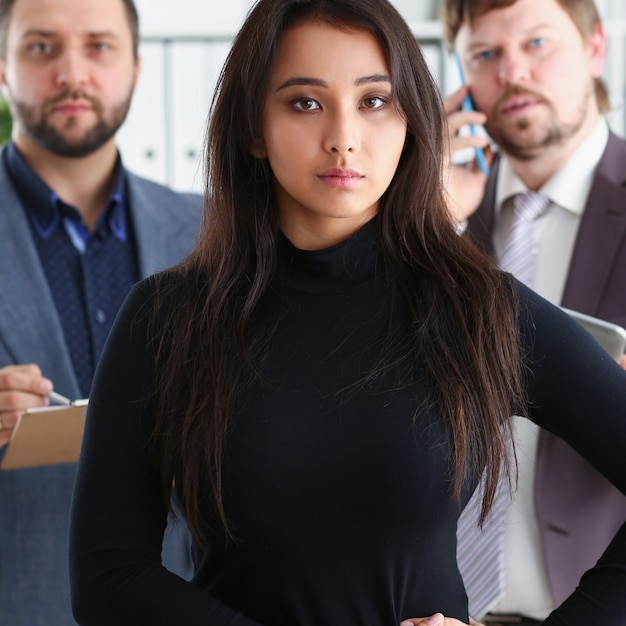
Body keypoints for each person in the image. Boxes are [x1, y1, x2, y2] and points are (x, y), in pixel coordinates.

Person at [68, 0, 626, 624]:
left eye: (374, 101)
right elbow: (108, 577)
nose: (343, 137)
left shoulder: (479, 308)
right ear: (254, 128)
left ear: (412, 120)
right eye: (305, 102)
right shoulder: (165, 320)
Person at [0, 0, 201, 623]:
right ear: (3, 67)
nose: (72, 73)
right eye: (41, 47)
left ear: (137, 67)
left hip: (185, 602)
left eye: (99, 47)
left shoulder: (210, 231)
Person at [441, 0, 626, 622]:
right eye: (485, 55)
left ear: (595, 47)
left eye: (538, 44)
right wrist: (427, 212)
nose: (513, 73)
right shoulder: (440, 224)